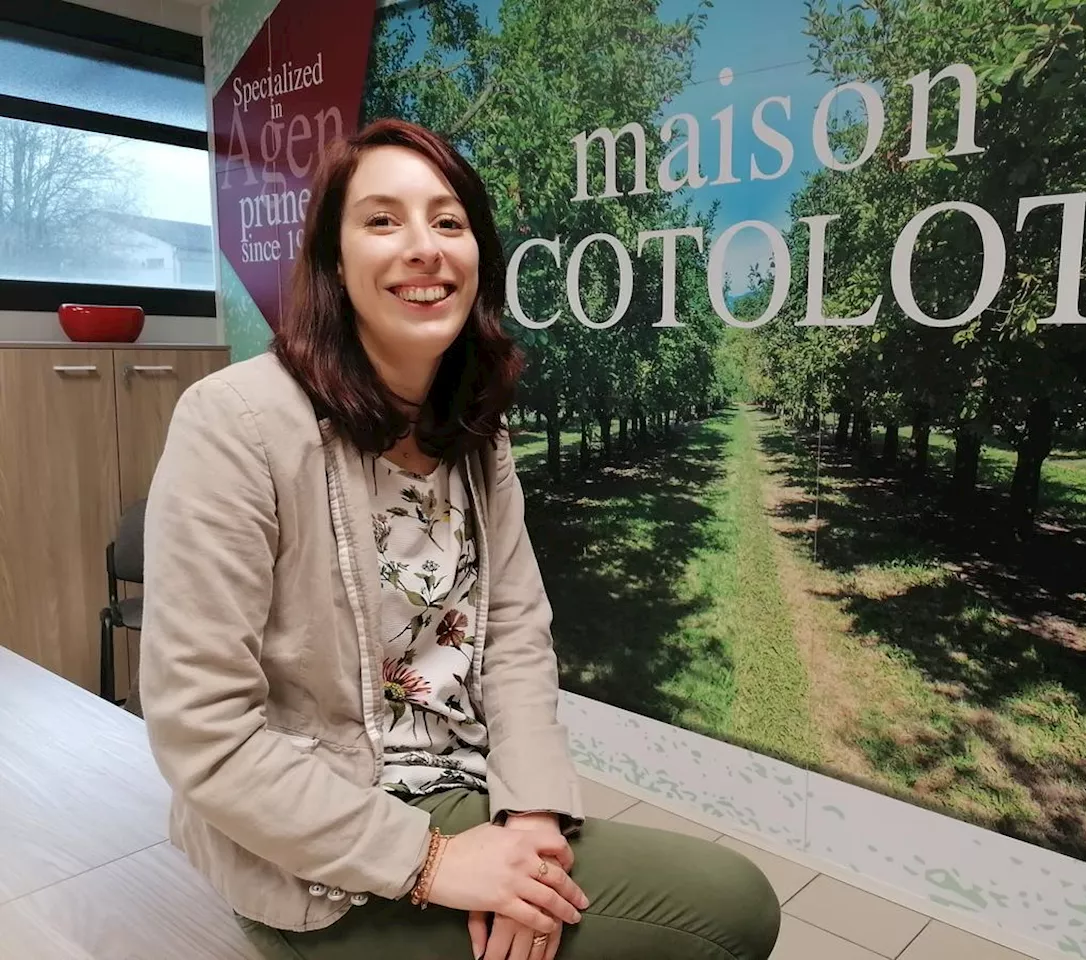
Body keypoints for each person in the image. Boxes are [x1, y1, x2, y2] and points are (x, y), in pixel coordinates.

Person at [138, 117, 781, 960]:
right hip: (323, 850)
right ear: (333, 261)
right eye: (382, 220)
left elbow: (514, 636)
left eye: (449, 222)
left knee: (732, 902)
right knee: (727, 912)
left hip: (469, 792)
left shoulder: (475, 431)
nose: (424, 248)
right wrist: (438, 862)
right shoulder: (236, 423)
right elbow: (203, 733)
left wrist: (534, 828)